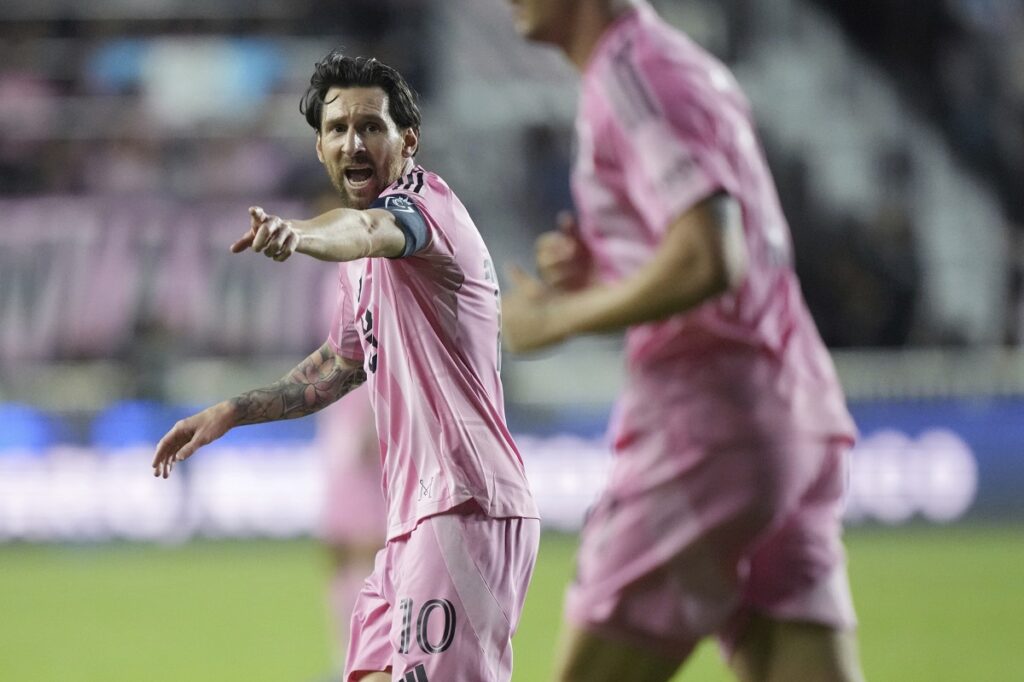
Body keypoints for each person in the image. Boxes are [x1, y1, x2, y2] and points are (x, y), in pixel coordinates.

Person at [501, 2, 865, 681]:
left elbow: (709, 258)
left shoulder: (632, 73)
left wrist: (560, 320)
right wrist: (603, 278)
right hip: (790, 415)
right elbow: (714, 258)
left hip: (705, 430)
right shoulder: (676, 66)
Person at [151, 51, 540, 682]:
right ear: (319, 147)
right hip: (410, 522)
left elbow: (362, 228)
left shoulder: (423, 208)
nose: (353, 143)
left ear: (407, 139)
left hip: (464, 506)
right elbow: (338, 365)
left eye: (371, 127)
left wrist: (300, 234)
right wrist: (231, 411)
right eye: (337, 130)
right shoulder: (363, 269)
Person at [314, 386, 386, 675]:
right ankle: (345, 658)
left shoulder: (376, 371)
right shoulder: (339, 369)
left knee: (369, 564)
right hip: (341, 479)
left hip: (370, 482)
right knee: (340, 561)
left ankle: (369, 658)